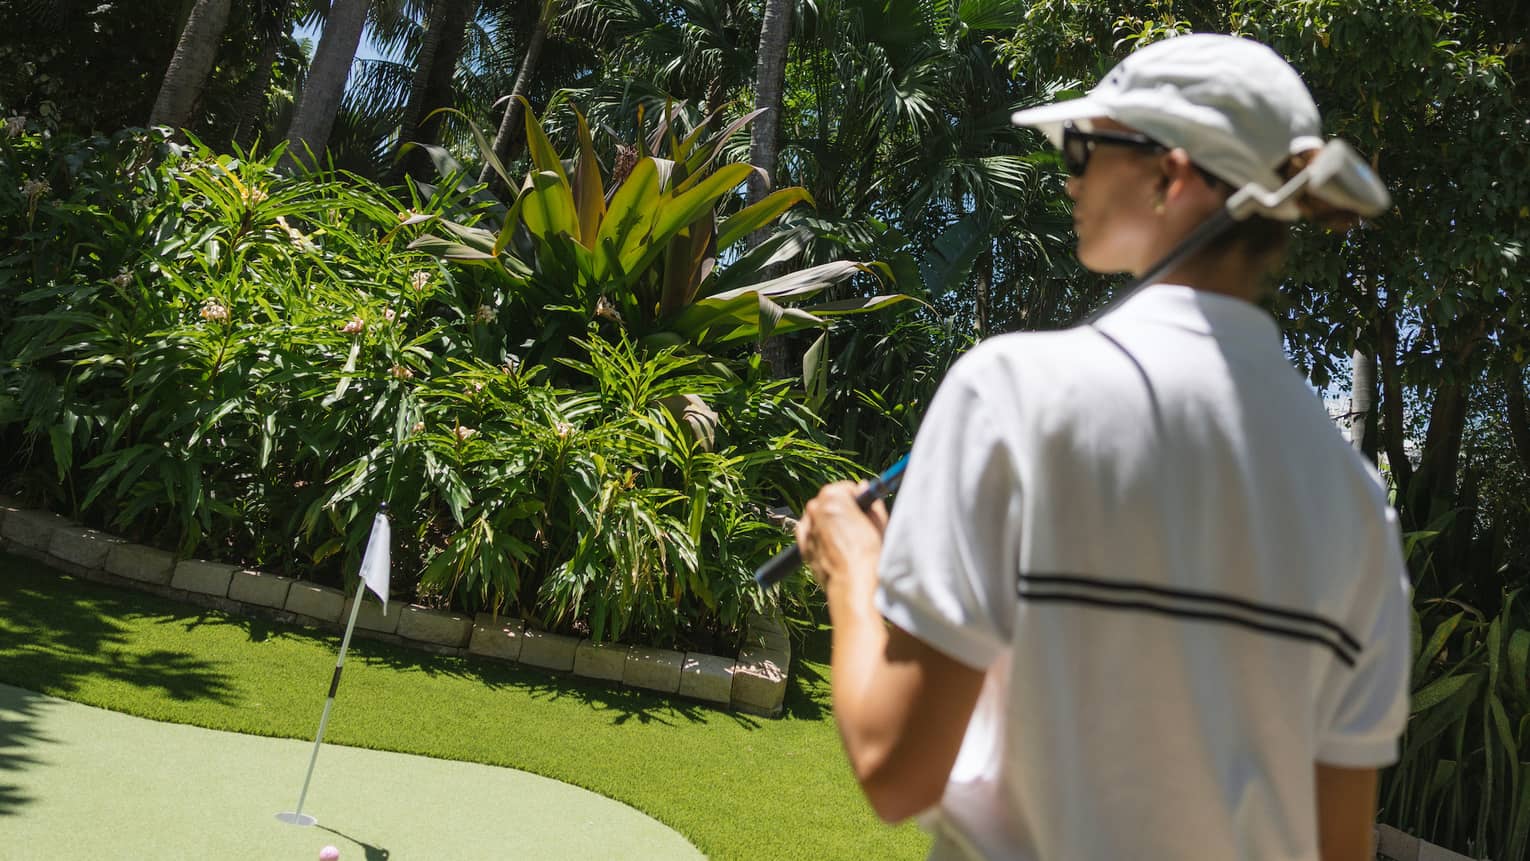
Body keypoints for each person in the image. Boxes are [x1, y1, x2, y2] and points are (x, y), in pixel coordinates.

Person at [794, 33, 1410, 861]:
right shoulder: (1355, 500)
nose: (1068, 174)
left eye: (1084, 147)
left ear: (1172, 175)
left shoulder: (1012, 393)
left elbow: (895, 766)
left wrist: (852, 563)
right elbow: (1340, 847)